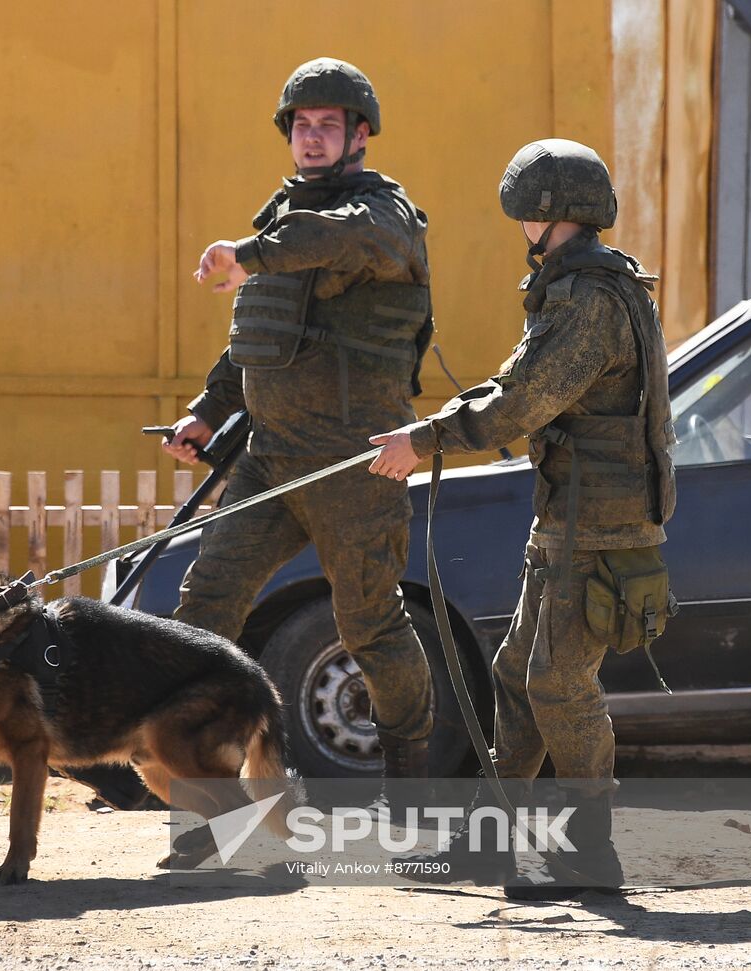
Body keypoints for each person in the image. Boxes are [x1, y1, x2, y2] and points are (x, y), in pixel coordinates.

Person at [367, 138, 676, 898]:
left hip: (597, 529)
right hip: (567, 520)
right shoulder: (577, 287)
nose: (518, 230)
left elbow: (525, 403)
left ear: (544, 215)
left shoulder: (592, 301)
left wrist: (428, 441)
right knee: (516, 680)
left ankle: (588, 857)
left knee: (560, 687)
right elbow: (516, 379)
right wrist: (437, 421)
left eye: (522, 217)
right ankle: (487, 841)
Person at [161, 57, 437, 783]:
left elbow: (339, 238)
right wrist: (207, 410)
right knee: (205, 604)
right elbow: (258, 335)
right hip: (271, 457)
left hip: (356, 461)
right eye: (302, 125)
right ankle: (195, 774)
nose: (312, 138)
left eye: (328, 125)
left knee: (371, 629)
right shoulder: (282, 221)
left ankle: (412, 782)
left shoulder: (385, 218)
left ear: (360, 135)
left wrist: (249, 254)